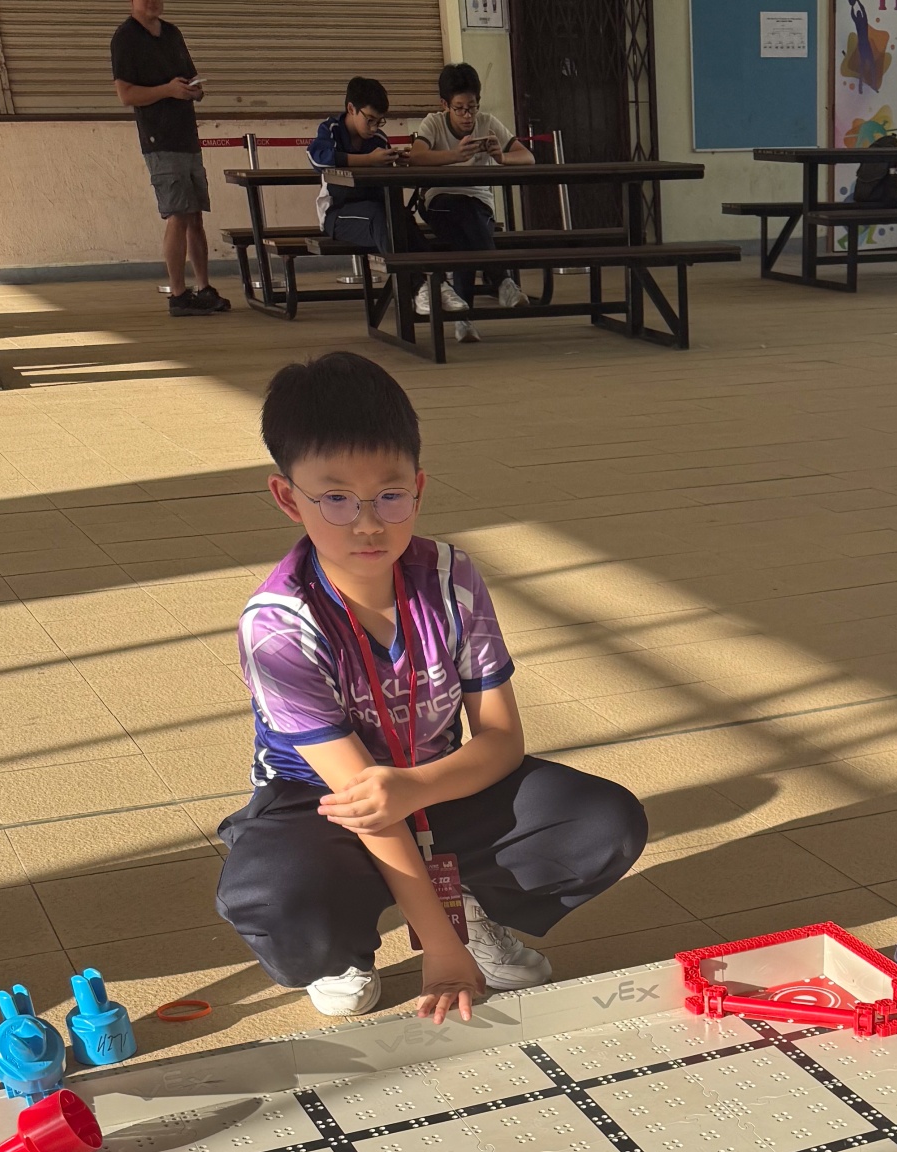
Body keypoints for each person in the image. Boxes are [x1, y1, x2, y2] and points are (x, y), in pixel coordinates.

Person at [216, 352, 647, 1023]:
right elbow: (368, 801)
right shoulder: (277, 625)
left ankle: (471, 905)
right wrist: (441, 951)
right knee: (275, 895)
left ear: (417, 488)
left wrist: (419, 787)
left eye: (390, 496)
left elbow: (501, 740)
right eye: (336, 498)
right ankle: (343, 949)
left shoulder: (452, 576)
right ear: (287, 497)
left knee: (602, 821)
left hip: (436, 781)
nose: (368, 523)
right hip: (321, 805)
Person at [108, 0, 230, 316]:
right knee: (178, 214)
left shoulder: (172, 33)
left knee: (195, 214)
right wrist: (167, 90)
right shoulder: (125, 37)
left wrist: (194, 90)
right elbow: (126, 94)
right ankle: (178, 293)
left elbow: (189, 77)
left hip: (186, 135)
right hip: (159, 138)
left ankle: (203, 287)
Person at [408, 61, 533, 336]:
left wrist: (501, 157)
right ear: (445, 105)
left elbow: (528, 157)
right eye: (460, 108)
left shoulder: (487, 123)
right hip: (440, 201)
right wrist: (455, 155)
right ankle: (501, 280)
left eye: (473, 107)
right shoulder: (433, 123)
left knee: (464, 238)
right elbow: (416, 157)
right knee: (465, 216)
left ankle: (463, 319)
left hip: (478, 205)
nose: (468, 116)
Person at [309, 77, 405, 260]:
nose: (374, 128)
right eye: (370, 120)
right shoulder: (331, 130)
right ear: (351, 109)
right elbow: (318, 160)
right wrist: (369, 159)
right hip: (338, 214)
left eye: (379, 121)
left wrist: (396, 161)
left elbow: (387, 179)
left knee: (402, 220)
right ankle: (409, 276)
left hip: (375, 206)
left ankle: (435, 276)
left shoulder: (379, 139)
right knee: (381, 219)